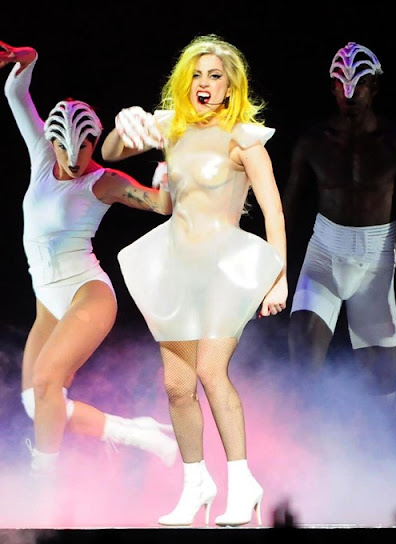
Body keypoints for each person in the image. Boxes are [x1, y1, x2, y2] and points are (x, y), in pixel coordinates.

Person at [101, 34, 288, 527]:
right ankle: (196, 483)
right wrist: (124, 122)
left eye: (215, 75)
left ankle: (243, 483)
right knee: (177, 385)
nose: (204, 83)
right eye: (197, 75)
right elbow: (112, 151)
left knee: (210, 370)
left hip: (225, 269)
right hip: (176, 266)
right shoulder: (172, 127)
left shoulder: (244, 139)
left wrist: (279, 279)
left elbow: (273, 211)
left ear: (230, 86)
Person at [0, 40, 178, 478]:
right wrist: (29, 60)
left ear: (94, 141)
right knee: (38, 402)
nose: (74, 158)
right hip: (48, 300)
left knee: (46, 383)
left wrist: (167, 173)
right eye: (64, 148)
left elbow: (161, 205)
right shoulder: (41, 157)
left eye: (84, 147)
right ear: (52, 141)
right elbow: (15, 94)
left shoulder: (104, 180)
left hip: (88, 294)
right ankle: (141, 435)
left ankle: (44, 484)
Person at [283, 41, 396, 415]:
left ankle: (378, 448)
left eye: (359, 83)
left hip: (377, 264)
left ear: (374, 86)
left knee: (385, 388)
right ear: (332, 87)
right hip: (324, 256)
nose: (349, 93)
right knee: (302, 364)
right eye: (341, 83)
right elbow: (286, 207)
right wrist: (272, 269)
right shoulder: (314, 142)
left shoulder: (394, 141)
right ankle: (304, 444)